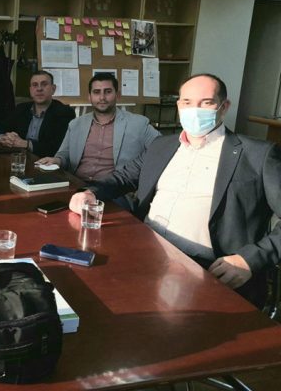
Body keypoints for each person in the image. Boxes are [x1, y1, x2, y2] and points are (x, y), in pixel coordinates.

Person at [69, 74, 281, 307]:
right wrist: (90, 192)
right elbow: (123, 177)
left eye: (206, 103)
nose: (194, 111)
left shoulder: (258, 155)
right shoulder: (162, 145)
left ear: (224, 107)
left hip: (208, 268)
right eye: (187, 102)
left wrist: (249, 259)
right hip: (144, 250)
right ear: (179, 106)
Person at [37, 72, 159, 181]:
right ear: (89, 96)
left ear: (117, 95)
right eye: (96, 92)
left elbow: (162, 149)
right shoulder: (76, 124)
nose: (102, 98)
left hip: (114, 190)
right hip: (78, 184)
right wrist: (56, 160)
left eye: (108, 92)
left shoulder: (138, 124)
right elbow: (64, 155)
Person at [0, 70, 75, 158]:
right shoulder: (21, 108)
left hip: (46, 163)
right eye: (35, 85)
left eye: (44, 84)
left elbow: (57, 148)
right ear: (30, 90)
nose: (39, 89)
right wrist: (2, 138)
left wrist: (26, 144)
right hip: (19, 159)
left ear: (53, 89)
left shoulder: (65, 113)